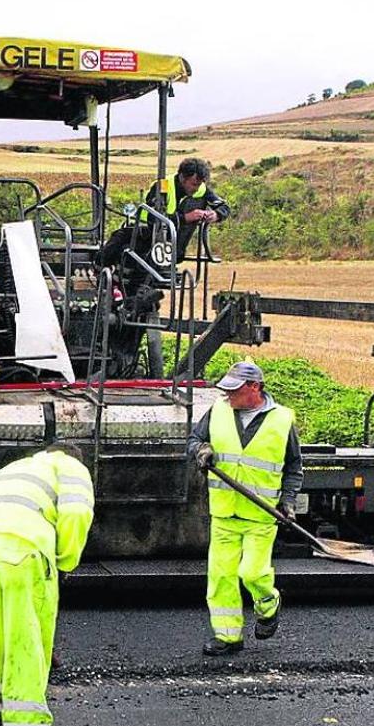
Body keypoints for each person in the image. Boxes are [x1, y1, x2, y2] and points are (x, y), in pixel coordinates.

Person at [0, 442, 95, 726]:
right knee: (26, 637)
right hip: (22, 547)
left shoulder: (18, 466)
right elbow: (76, 514)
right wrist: (65, 562)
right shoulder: (72, 466)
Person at [188, 361, 303, 655]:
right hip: (224, 511)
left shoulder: (282, 420)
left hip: (260, 514)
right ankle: (227, 636)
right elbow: (195, 440)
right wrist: (201, 451)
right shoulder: (218, 410)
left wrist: (288, 501)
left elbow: (293, 467)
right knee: (221, 576)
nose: (228, 395)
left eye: (233, 390)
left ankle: (268, 606)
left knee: (252, 573)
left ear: (255, 388)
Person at [99, 158, 231, 376]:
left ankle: (126, 336)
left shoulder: (203, 191)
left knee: (137, 278)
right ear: (182, 177)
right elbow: (150, 217)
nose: (195, 189)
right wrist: (185, 217)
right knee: (121, 236)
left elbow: (223, 207)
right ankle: (102, 267)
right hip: (149, 242)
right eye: (192, 184)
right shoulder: (162, 187)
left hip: (171, 251)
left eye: (198, 185)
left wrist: (215, 215)